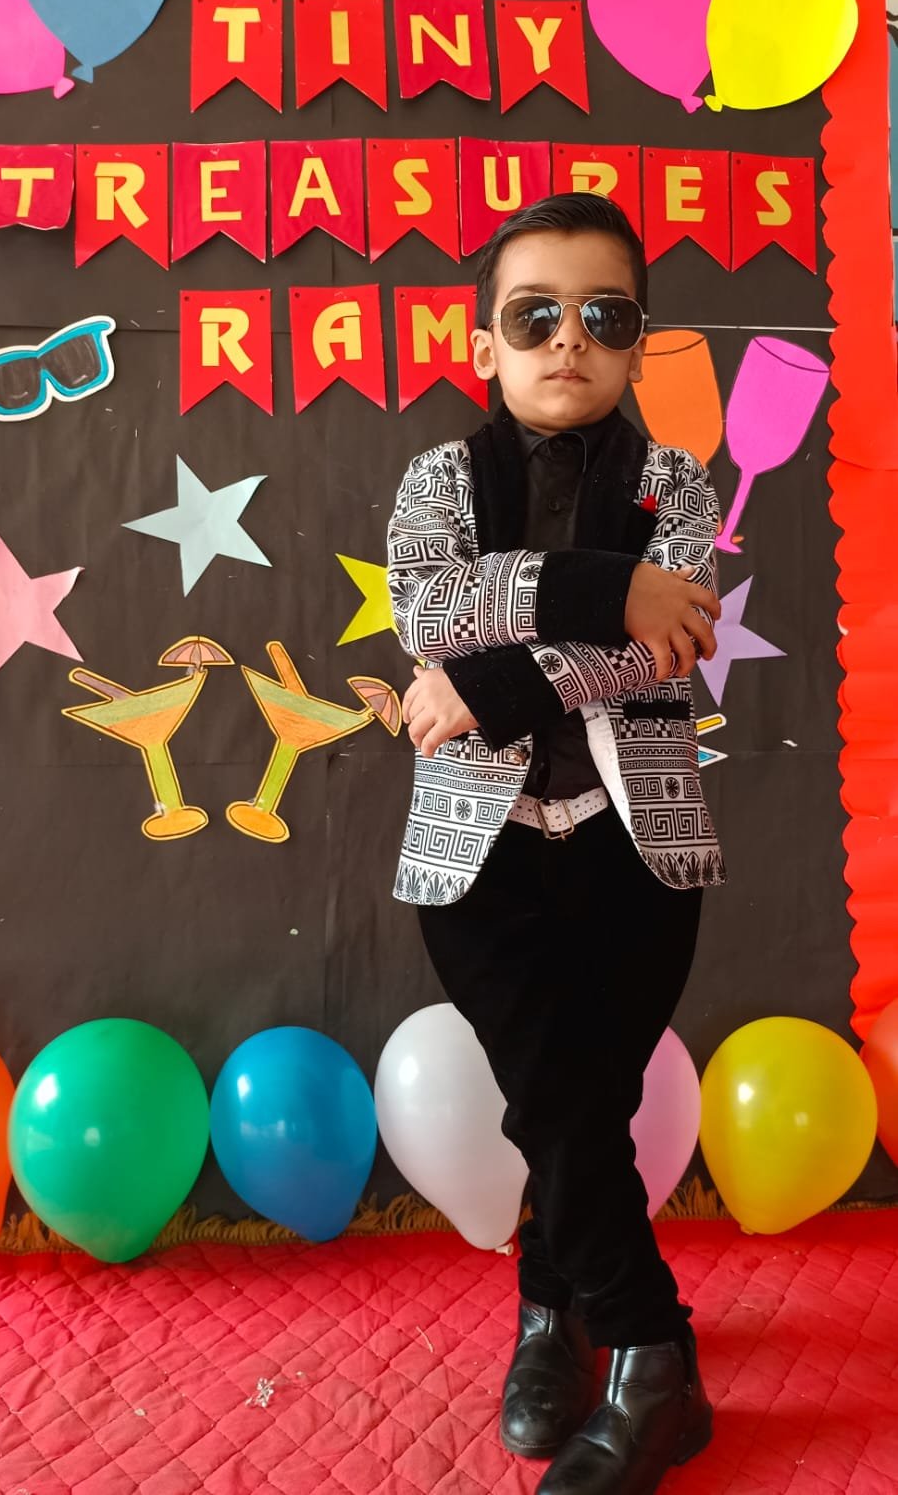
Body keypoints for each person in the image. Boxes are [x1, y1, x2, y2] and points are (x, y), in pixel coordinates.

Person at [385, 193, 726, 1495]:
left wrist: (489, 683)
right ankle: (650, 1349)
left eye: (603, 315)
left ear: (638, 343)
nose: (567, 339)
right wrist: (608, 586)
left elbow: (665, 651)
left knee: (583, 1101)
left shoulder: (674, 483)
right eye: (533, 315)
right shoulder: (438, 479)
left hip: (640, 848)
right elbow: (431, 607)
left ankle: (551, 1311)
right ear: (485, 343)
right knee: (549, 1091)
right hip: (475, 855)